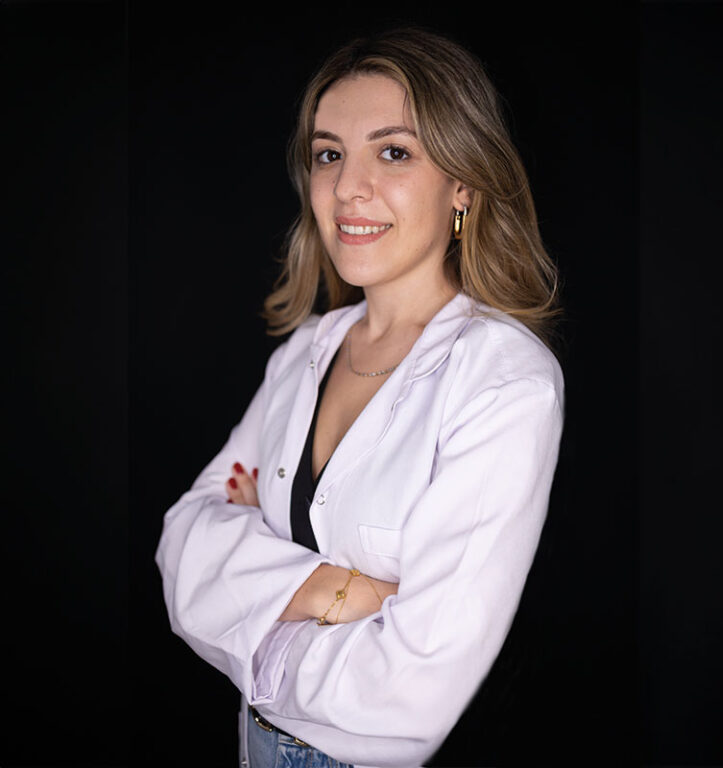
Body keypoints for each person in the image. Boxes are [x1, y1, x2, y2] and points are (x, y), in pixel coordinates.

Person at [156, 27, 564, 768]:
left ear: (464, 185)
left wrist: (251, 614)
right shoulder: (304, 354)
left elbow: (413, 690)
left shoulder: (503, 380)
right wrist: (340, 592)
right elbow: (182, 543)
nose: (348, 187)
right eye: (329, 154)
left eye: (394, 152)